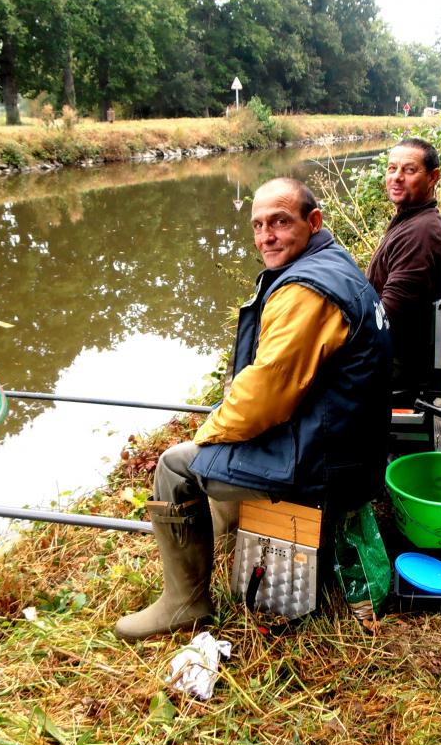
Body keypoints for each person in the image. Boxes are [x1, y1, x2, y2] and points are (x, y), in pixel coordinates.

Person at [115, 177, 392, 641]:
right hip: (349, 450)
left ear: (313, 222)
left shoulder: (308, 290)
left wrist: (207, 436)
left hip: (326, 470)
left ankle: (184, 603)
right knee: (218, 449)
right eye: (258, 225)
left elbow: (264, 396)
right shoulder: (335, 263)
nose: (267, 236)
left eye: (280, 222)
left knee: (175, 466)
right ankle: (227, 522)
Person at [366, 137, 441, 396]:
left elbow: (388, 320)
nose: (396, 177)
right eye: (392, 168)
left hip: (398, 369)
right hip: (398, 358)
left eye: (409, 170)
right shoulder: (412, 219)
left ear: (433, 177)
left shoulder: (422, 235)